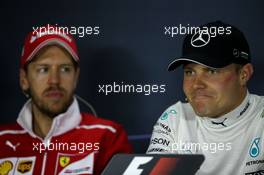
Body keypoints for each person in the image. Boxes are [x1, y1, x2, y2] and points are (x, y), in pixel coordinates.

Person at [0, 25, 132, 175]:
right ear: (24, 79)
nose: (54, 80)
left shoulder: (107, 138)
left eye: (65, 69)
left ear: (76, 77)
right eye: (43, 69)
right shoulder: (2, 140)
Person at [147, 21, 264, 175]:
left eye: (211, 71)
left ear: (244, 74)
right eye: (190, 72)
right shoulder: (175, 117)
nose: (196, 85)